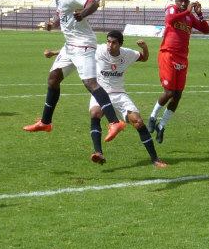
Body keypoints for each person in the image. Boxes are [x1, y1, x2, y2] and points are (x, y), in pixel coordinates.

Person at [23, 0, 126, 141]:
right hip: (69, 46)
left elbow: (93, 3)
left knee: (90, 83)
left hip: (83, 44)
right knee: (53, 79)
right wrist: (53, 23)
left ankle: (115, 122)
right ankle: (45, 122)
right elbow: (63, 15)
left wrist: (84, 13)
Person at [45, 30, 166, 168]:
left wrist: (144, 47)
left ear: (120, 44)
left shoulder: (127, 54)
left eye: (114, 42)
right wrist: (53, 53)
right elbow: (76, 51)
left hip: (119, 94)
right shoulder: (99, 49)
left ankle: (155, 159)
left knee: (138, 122)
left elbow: (144, 58)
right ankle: (98, 152)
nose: (110, 45)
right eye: (108, 41)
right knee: (95, 114)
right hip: (100, 93)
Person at [148, 0, 209, 143]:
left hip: (183, 58)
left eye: (186, 1)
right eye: (181, 0)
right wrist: (187, 11)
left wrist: (199, 14)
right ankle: (152, 117)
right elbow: (170, 19)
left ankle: (161, 126)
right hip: (168, 54)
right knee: (169, 92)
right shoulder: (172, 9)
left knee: (177, 95)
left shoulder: (189, 16)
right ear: (176, 1)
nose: (183, 3)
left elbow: (205, 29)